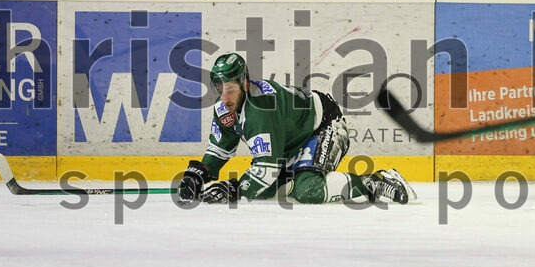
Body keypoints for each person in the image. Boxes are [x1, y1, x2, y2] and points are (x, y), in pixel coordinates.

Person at [178, 52, 416, 206]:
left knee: (307, 191)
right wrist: (199, 173)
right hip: (291, 139)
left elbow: (266, 169)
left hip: (324, 125)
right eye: (220, 88)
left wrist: (232, 188)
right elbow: (220, 150)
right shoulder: (224, 109)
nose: (225, 96)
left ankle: (376, 181)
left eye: (230, 88)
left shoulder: (261, 107)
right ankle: (296, 175)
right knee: (263, 189)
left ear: (245, 83)